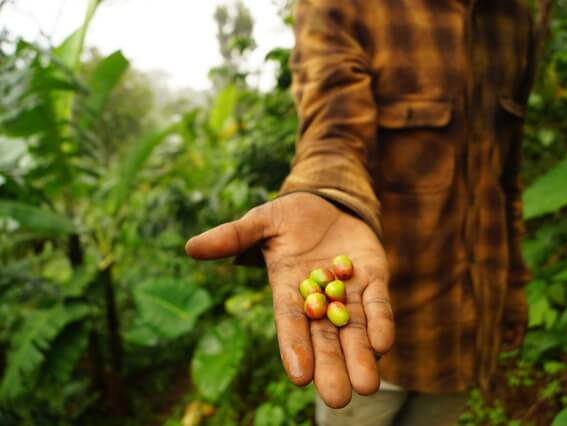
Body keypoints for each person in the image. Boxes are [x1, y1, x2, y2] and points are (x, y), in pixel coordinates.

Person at [185, 0, 536, 424]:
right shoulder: (344, 6)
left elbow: (506, 174)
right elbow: (333, 128)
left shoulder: (514, 16)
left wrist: (513, 286)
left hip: (465, 333)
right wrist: (327, 193)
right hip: (375, 336)